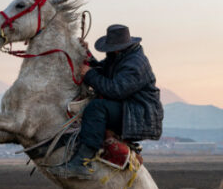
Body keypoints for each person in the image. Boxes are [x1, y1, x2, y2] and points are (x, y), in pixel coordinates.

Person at [48, 24, 163, 179]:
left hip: (139, 114)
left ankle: (82, 162)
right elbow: (102, 70)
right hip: (128, 107)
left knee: (96, 108)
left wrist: (88, 74)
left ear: (117, 48)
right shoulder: (120, 57)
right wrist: (86, 54)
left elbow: (115, 90)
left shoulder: (135, 64)